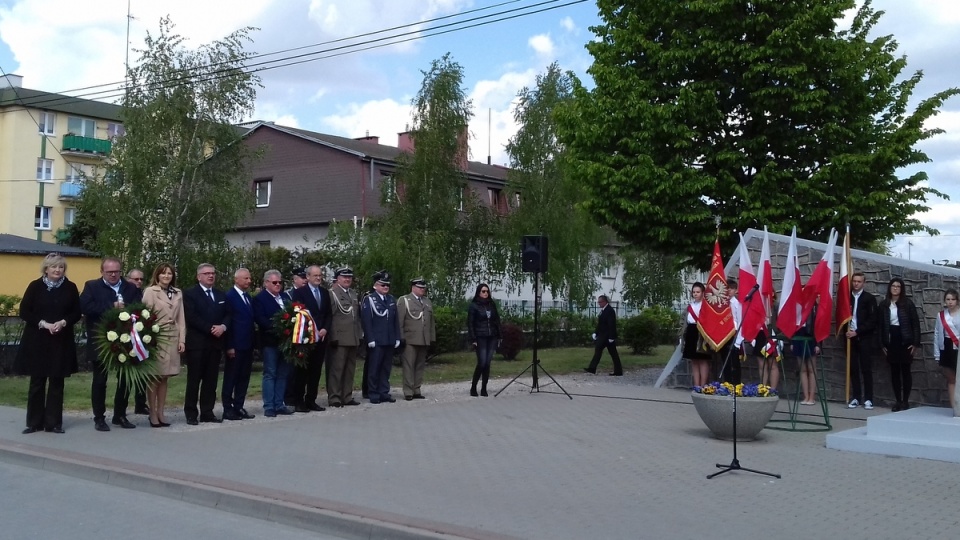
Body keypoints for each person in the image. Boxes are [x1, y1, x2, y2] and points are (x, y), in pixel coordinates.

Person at [15, 253, 81, 434]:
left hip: (61, 341)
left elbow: (76, 312)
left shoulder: (70, 287)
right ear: (46, 269)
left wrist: (63, 322)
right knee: (37, 381)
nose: (57, 270)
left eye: (60, 267)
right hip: (38, 340)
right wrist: (44, 324)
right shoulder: (35, 286)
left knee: (57, 382)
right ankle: (34, 422)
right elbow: (24, 311)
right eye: (54, 267)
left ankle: (53, 423)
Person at [81, 257, 143, 431]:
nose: (114, 275)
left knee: (125, 379)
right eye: (109, 272)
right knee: (100, 381)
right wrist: (111, 306)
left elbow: (139, 307)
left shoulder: (130, 287)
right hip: (101, 340)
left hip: (126, 339)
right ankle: (99, 417)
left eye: (117, 271)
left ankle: (120, 415)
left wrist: (129, 311)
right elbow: (85, 307)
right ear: (102, 272)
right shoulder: (91, 286)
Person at [182, 263, 230, 425]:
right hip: (198, 343)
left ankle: (207, 412)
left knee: (211, 380)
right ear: (199, 276)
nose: (211, 276)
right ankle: (191, 412)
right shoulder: (190, 294)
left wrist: (223, 327)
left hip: (215, 344)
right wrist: (210, 328)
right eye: (207, 273)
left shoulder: (220, 294)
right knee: (194, 379)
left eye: (213, 273)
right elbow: (191, 316)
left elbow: (228, 314)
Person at [141, 263, 186, 427]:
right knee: (154, 376)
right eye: (163, 273)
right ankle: (152, 412)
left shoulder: (177, 292)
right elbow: (143, 316)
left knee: (165, 376)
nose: (167, 276)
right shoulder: (150, 291)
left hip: (172, 336)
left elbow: (181, 318)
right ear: (157, 275)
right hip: (156, 337)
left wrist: (182, 340)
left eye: (169, 273)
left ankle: (161, 411)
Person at [289, 265, 332, 412]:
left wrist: (325, 328)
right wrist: (311, 330)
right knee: (302, 371)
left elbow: (328, 314)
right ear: (307, 277)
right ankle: (299, 401)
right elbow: (298, 313)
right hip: (306, 337)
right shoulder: (300, 292)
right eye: (315, 275)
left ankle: (311, 399)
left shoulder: (325, 293)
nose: (318, 278)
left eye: (320, 275)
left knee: (316, 370)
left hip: (321, 337)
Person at [254, 269, 293, 417]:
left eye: (280, 282)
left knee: (283, 373)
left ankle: (279, 403)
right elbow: (261, 320)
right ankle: (269, 406)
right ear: (266, 283)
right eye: (275, 282)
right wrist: (281, 328)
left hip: (287, 343)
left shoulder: (285, 297)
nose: (278, 285)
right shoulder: (260, 299)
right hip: (270, 342)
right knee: (270, 373)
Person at [879, 278, 921, 412]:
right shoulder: (884, 305)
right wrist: (881, 344)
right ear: (890, 288)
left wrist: (915, 343)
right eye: (893, 286)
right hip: (891, 339)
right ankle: (897, 401)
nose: (895, 288)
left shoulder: (908, 304)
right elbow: (880, 326)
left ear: (901, 289)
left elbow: (915, 324)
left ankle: (905, 401)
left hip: (905, 340)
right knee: (894, 372)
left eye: (898, 286)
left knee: (906, 371)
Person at [360, 271, 400, 404]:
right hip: (376, 340)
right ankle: (373, 393)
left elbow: (395, 321)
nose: (386, 288)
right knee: (374, 368)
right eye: (383, 285)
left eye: (387, 285)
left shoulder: (391, 299)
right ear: (375, 286)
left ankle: (384, 392)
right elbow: (367, 321)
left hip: (389, 339)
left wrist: (397, 337)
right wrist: (370, 338)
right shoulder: (370, 299)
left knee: (386, 368)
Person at [222, 268, 256, 421]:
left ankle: (239, 406)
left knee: (244, 377)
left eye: (249, 278)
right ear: (236, 279)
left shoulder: (247, 297)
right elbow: (228, 322)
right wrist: (229, 345)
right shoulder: (230, 296)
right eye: (246, 279)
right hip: (235, 344)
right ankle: (227, 408)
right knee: (232, 377)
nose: (249, 281)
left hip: (247, 344)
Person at [327, 267, 363, 407]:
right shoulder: (332, 294)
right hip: (340, 338)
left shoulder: (353, 294)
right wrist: (333, 336)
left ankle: (347, 396)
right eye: (344, 277)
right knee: (337, 369)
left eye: (349, 277)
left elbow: (356, 317)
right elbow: (331, 317)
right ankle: (334, 397)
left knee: (349, 369)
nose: (347, 279)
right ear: (337, 279)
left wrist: (359, 335)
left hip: (352, 336)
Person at [846, 272, 879, 410]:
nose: (856, 284)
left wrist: (858, 332)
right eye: (854, 281)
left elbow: (872, 320)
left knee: (866, 368)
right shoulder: (847, 298)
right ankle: (856, 397)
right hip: (850, 338)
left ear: (863, 283)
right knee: (853, 368)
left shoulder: (869, 298)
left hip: (864, 337)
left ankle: (869, 398)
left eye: (859, 281)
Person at [398, 277, 436, 400]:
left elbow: (431, 323)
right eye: (420, 287)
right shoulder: (405, 300)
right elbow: (399, 321)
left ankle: (417, 389)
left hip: (423, 338)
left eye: (423, 288)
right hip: (410, 339)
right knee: (409, 365)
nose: (422, 290)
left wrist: (431, 338)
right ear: (413, 287)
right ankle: (408, 391)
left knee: (420, 365)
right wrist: (401, 337)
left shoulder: (427, 302)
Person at [467, 283, 501, 397]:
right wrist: (473, 338)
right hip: (480, 337)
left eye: (487, 291)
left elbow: (497, 320)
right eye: (483, 291)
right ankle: (473, 387)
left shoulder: (491, 305)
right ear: (478, 292)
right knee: (482, 363)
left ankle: (484, 388)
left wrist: (499, 335)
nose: (486, 293)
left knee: (487, 363)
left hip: (492, 337)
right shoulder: (474, 306)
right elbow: (470, 323)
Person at [126, 268, 149, 416]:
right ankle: (123, 405)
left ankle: (141, 404)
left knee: (143, 373)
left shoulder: (144, 294)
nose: (139, 282)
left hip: (143, 337)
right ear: (129, 279)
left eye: (141, 279)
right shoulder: (126, 294)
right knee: (127, 374)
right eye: (136, 279)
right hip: (127, 338)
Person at [933, 289, 960, 416]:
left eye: (953, 299)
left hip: (958, 348)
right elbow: (937, 333)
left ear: (957, 300)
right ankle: (954, 407)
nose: (950, 302)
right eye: (948, 299)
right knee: (951, 379)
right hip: (946, 348)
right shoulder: (941, 315)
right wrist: (937, 353)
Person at [584, 294, 623, 377]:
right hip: (602, 335)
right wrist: (596, 333)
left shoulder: (609, 311)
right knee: (600, 351)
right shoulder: (603, 311)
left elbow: (611, 324)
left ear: (605, 302)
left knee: (611, 353)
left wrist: (612, 337)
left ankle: (618, 370)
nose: (599, 304)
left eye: (600, 302)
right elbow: (600, 324)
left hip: (607, 336)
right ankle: (592, 368)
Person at [682, 282, 711, 387]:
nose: (695, 294)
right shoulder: (690, 306)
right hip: (691, 332)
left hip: (702, 333)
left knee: (703, 360)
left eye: (698, 292)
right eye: (694, 292)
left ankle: (703, 386)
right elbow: (686, 321)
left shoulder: (706, 305)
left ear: (703, 293)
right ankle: (696, 385)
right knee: (694, 361)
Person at [792, 303, 821, 405]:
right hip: (798, 335)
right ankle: (806, 396)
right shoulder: (796, 305)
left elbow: (819, 325)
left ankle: (812, 397)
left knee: (811, 368)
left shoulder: (813, 306)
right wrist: (792, 341)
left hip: (810, 336)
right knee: (802, 369)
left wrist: (818, 343)